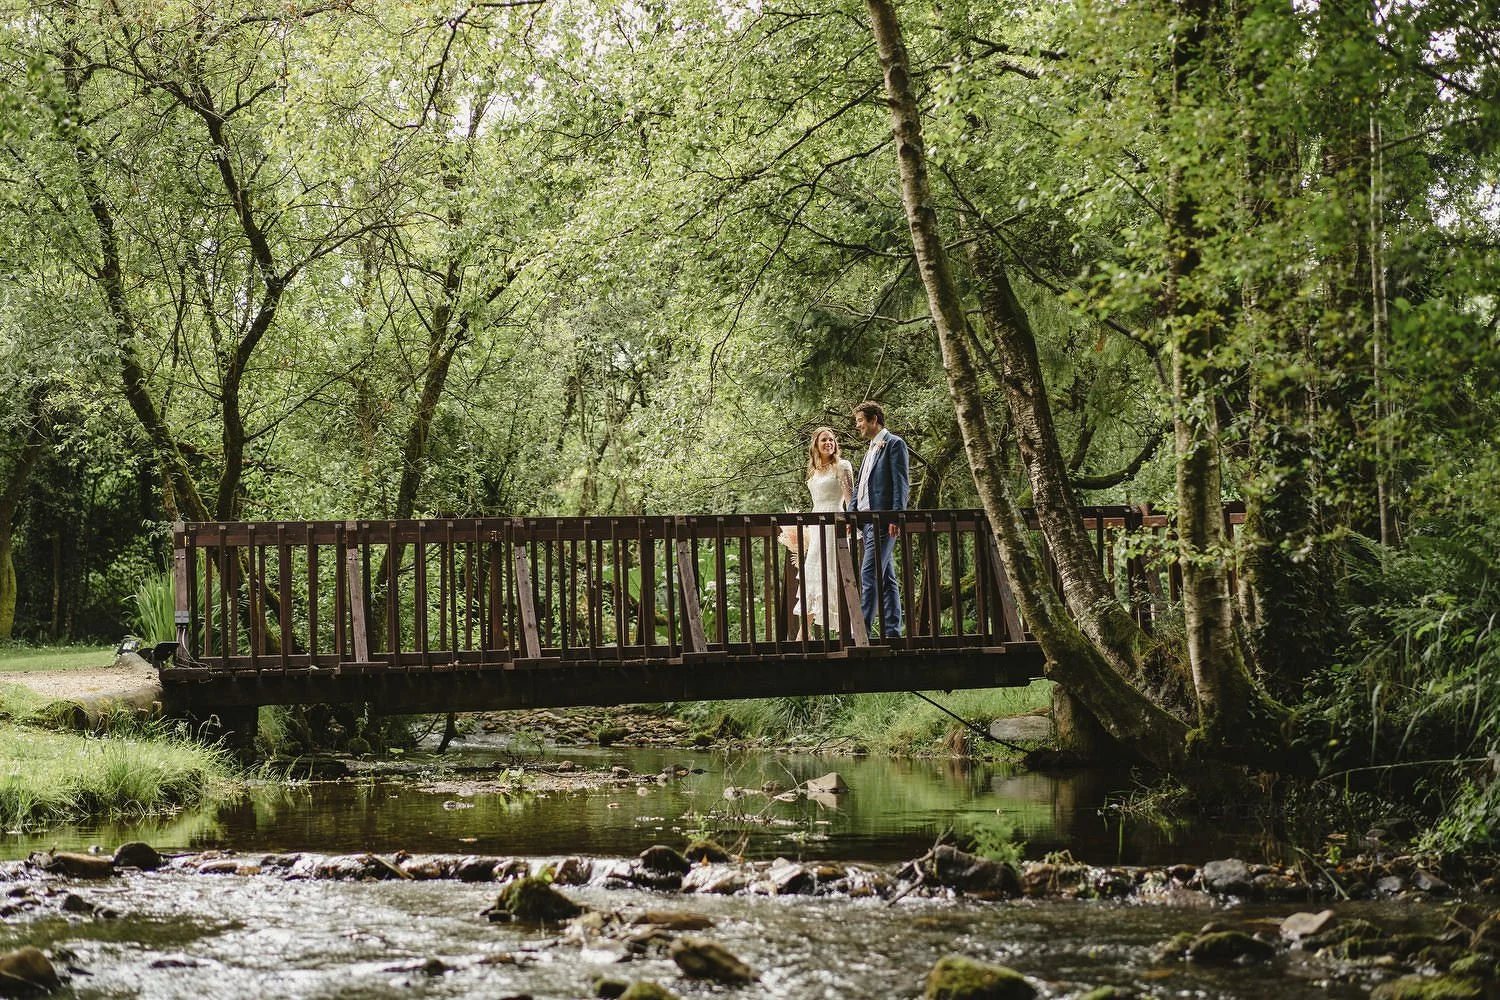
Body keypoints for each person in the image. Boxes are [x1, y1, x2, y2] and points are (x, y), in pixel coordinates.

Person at [850, 400, 908, 639]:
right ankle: (893, 631)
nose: (858, 426)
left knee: (870, 574)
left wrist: (895, 516)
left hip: (883, 521)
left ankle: (861, 632)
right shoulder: (870, 450)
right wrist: (852, 515)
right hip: (866, 522)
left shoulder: (894, 444)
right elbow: (861, 486)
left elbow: (900, 483)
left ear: (874, 420)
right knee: (886, 577)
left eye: (860, 421)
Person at [794, 426, 853, 638]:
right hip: (816, 525)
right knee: (812, 573)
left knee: (832, 573)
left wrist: (849, 521)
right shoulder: (814, 470)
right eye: (824, 440)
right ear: (816, 446)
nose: (828, 443)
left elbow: (849, 500)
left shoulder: (842, 466)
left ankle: (844, 630)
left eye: (831, 439)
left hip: (833, 522)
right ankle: (805, 630)